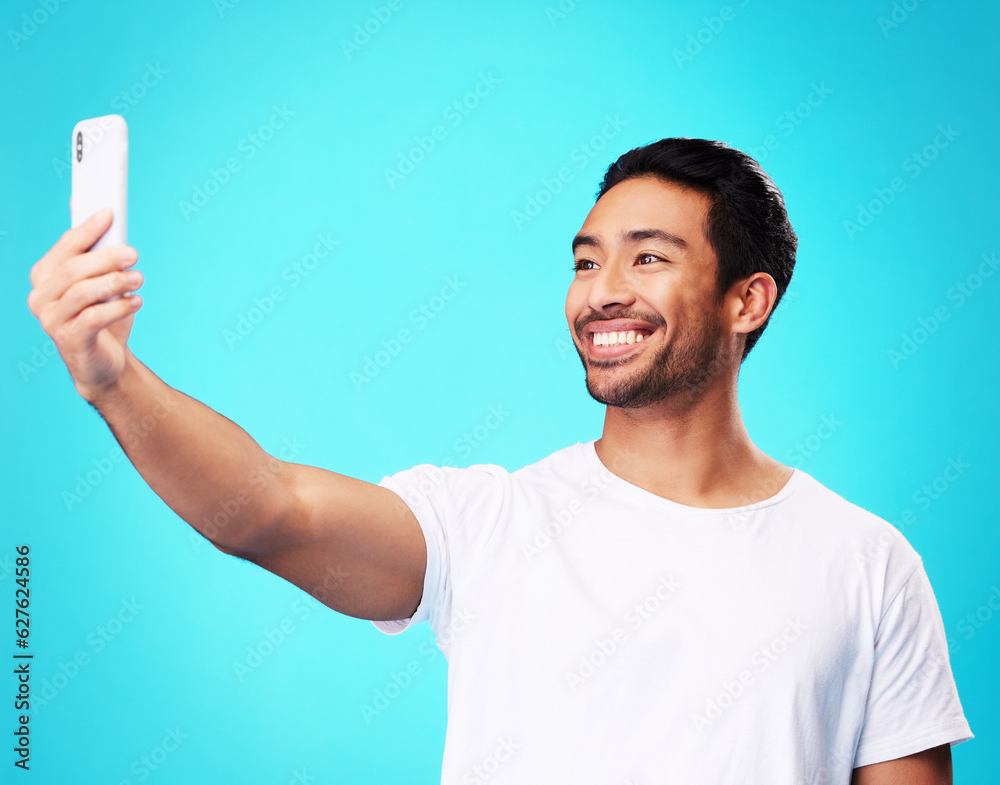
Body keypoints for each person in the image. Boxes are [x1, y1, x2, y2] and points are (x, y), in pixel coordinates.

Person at [27, 137, 971, 784]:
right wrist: (111, 377)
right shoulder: (488, 524)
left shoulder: (868, 564)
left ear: (747, 299)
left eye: (647, 261)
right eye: (585, 260)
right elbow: (269, 512)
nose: (601, 294)